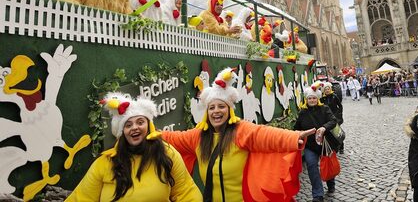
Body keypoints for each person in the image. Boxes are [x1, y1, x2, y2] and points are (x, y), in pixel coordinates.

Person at [162, 68, 314, 201]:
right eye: (211, 107)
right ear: (206, 112)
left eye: (221, 106)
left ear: (229, 110)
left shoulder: (240, 131)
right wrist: (147, 131)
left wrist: (295, 137)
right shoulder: (198, 136)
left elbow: (266, 135)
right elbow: (173, 138)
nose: (216, 111)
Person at [66, 93, 201, 201]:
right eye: (128, 125)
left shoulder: (167, 154)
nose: (134, 127)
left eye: (140, 122)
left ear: (149, 126)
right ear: (122, 132)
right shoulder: (104, 163)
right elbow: (82, 198)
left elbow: (186, 193)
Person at [294, 82, 339, 202]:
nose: (312, 100)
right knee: (311, 165)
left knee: (328, 164)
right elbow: (296, 128)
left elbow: (333, 120)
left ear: (317, 98)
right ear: (306, 99)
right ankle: (318, 194)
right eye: (310, 98)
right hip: (310, 146)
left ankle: (331, 182)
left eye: (314, 98)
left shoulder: (324, 108)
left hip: (325, 144)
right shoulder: (303, 112)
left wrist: (324, 127)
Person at [321, 81, 344, 153]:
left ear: (330, 89)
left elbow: (340, 106)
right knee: (330, 133)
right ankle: (333, 147)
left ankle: (341, 147)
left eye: (328, 89)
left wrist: (338, 115)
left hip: (336, 117)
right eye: (325, 89)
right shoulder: (322, 99)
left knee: (337, 133)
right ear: (323, 91)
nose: (327, 90)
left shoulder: (334, 96)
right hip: (327, 118)